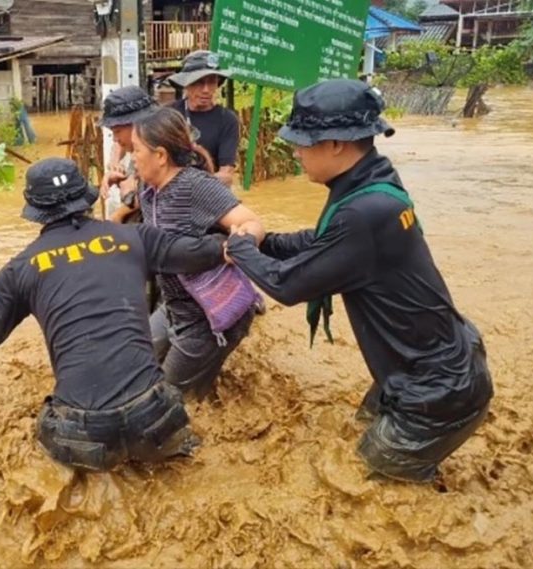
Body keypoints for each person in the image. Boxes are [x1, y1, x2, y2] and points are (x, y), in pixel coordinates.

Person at [0, 158, 231, 472]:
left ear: (34, 210)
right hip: (156, 421)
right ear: (87, 197)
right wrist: (249, 238)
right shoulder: (133, 238)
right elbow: (205, 251)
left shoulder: (22, 270)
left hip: (84, 438)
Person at [225, 79, 494, 483]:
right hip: (437, 366)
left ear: (336, 144)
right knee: (357, 437)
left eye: (303, 141)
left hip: (436, 392)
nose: (295, 151)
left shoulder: (363, 213)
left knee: (371, 487)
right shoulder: (374, 183)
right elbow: (324, 243)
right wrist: (268, 241)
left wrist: (239, 247)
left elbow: (288, 286)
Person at [131, 106, 264, 398]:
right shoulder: (149, 189)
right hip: (175, 309)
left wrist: (237, 246)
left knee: (166, 403)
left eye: (136, 150)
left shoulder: (195, 186)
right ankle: (206, 387)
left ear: (161, 156)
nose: (132, 157)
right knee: (134, 363)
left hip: (207, 318)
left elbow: (252, 222)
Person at [166, 50, 240, 187]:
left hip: (209, 193)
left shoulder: (227, 120)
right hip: (171, 189)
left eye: (212, 82)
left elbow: (226, 174)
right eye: (199, 82)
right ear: (187, 84)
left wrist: (195, 187)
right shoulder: (169, 115)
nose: (206, 90)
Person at [97, 86, 158, 223]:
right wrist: (119, 173)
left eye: (117, 132)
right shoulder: (145, 148)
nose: (115, 139)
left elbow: (157, 193)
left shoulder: (160, 154)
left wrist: (119, 214)